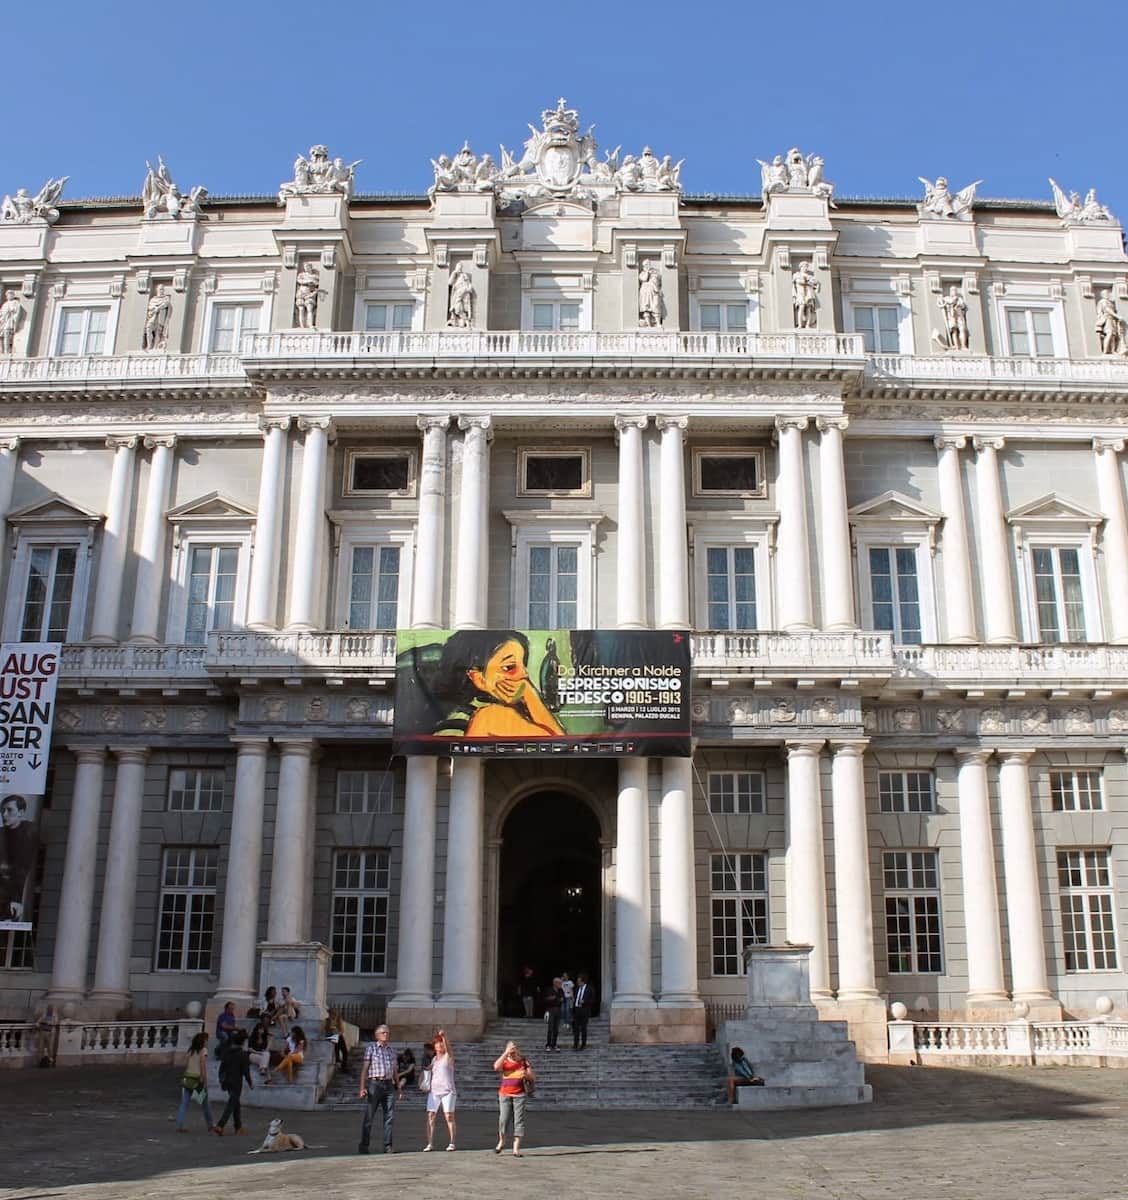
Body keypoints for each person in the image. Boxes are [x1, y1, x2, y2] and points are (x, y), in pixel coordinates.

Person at [433, 630, 564, 739]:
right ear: (478, 678)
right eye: (509, 667)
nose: (524, 674)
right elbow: (559, 744)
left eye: (523, 664)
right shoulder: (490, 715)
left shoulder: (462, 714)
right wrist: (530, 696)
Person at [358, 1023, 399, 1154]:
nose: (386, 1034)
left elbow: (395, 1070)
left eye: (387, 1032)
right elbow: (365, 1069)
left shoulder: (392, 1051)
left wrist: (398, 1087)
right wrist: (362, 1087)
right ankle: (364, 1145)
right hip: (374, 1084)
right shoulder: (371, 1049)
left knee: (389, 1117)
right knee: (369, 1116)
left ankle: (388, 1145)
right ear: (377, 1035)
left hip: (389, 1085)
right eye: (383, 1032)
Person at [493, 1040, 534, 1157]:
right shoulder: (505, 1060)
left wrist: (526, 1074)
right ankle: (501, 1141)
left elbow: (533, 1077)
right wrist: (505, 1053)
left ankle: (516, 1149)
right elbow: (496, 1067)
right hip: (505, 1094)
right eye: (510, 1048)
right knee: (503, 1120)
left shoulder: (524, 1061)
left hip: (519, 1095)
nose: (512, 1050)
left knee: (519, 1121)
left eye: (513, 1048)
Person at [0, 796, 38, 922]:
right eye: (2, 810)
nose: (4, 814)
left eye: (9, 810)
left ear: (21, 813)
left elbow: (23, 869)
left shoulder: (30, 832)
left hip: (16, 896)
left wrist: (16, 899)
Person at [214, 1028, 253, 1135]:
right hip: (236, 1082)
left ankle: (238, 1126)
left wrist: (221, 1079)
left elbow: (222, 1067)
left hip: (227, 1080)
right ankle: (220, 1125)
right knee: (231, 1104)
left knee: (235, 1103)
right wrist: (250, 1082)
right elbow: (246, 1071)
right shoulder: (243, 1055)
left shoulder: (227, 1053)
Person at [175, 1031, 216, 1133]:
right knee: (205, 1103)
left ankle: (179, 1124)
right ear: (203, 1040)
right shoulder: (203, 1050)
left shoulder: (191, 1050)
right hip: (198, 1080)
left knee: (184, 1103)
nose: (207, 1042)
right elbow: (202, 1066)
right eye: (206, 1039)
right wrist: (205, 1080)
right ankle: (210, 1124)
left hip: (188, 1078)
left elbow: (186, 1063)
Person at [423, 1030, 457, 1151]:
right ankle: (430, 1143)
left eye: (441, 1043)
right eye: (437, 1043)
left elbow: (449, 1049)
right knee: (430, 1115)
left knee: (448, 1116)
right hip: (434, 1091)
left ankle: (452, 1142)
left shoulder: (448, 1057)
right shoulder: (434, 1060)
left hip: (448, 1091)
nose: (440, 1045)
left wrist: (444, 1037)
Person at [142, 285, 172, 350]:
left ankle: (155, 347)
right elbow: (150, 307)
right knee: (148, 329)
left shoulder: (165, 298)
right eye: (160, 289)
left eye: (162, 289)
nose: (161, 290)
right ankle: (149, 345)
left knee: (158, 332)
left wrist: (158, 308)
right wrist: (155, 308)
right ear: (157, 290)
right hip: (152, 316)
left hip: (160, 317)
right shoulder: (153, 299)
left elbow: (166, 304)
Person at [638, 259, 664, 327]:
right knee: (646, 307)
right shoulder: (642, 273)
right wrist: (647, 272)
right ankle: (649, 325)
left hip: (654, 291)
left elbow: (659, 280)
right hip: (645, 291)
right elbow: (644, 278)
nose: (647, 265)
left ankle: (658, 323)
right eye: (646, 264)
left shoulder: (655, 272)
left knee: (656, 306)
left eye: (648, 264)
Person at [572, 973, 593, 1050]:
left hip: (585, 1010)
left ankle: (583, 1044)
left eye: (579, 981)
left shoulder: (589, 989)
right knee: (576, 1028)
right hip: (577, 1010)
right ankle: (575, 1044)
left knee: (583, 1028)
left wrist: (584, 1001)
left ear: (583, 981)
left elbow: (592, 1000)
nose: (577, 982)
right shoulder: (577, 989)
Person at [324, 1007, 350, 1073]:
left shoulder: (339, 1021)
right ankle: (338, 1061)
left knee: (344, 1051)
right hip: (330, 1036)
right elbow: (325, 1030)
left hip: (337, 1037)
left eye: (334, 1014)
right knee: (336, 1039)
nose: (332, 1015)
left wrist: (337, 1032)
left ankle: (341, 1063)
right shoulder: (327, 1021)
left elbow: (342, 1030)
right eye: (331, 1014)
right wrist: (331, 1027)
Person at [246, 1015, 272, 1080]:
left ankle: (264, 1072)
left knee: (266, 1054)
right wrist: (258, 1052)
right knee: (265, 1057)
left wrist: (269, 1042)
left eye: (262, 1029)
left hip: (261, 1055)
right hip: (253, 1054)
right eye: (260, 1029)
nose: (261, 1031)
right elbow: (249, 1049)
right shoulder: (252, 1037)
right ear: (257, 1030)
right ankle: (268, 1076)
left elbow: (266, 1049)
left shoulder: (264, 1037)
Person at [543, 978, 564, 1052]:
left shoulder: (561, 990)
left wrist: (554, 999)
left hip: (558, 1010)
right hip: (550, 1010)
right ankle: (548, 1044)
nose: (560, 985)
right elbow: (546, 999)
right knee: (550, 1028)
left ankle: (554, 1044)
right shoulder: (549, 990)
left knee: (556, 1029)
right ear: (555, 983)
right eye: (559, 983)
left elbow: (562, 999)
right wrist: (554, 999)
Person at [0, 289, 23, 355]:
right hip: (3, 322)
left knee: (7, 336)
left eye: (10, 294)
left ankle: (7, 351)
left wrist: (11, 311)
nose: (9, 296)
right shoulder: (5, 304)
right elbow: (2, 313)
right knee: (2, 336)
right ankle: (2, 351)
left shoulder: (15, 302)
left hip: (9, 322)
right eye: (8, 295)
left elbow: (16, 311)